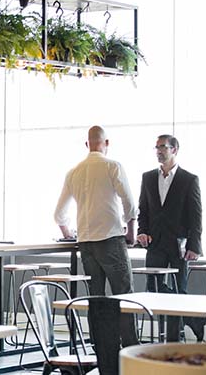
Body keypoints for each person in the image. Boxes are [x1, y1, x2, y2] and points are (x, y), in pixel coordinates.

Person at [54, 126, 139, 348]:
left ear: (87, 144)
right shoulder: (113, 166)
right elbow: (129, 202)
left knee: (96, 297)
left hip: (86, 243)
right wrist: (131, 231)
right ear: (106, 143)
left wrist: (68, 233)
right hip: (111, 238)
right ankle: (130, 347)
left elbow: (59, 214)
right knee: (124, 294)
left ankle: (102, 347)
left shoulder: (73, 172)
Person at [137, 134, 204, 341]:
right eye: (156, 147)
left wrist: (195, 244)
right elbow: (144, 210)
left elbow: (196, 214)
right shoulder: (148, 177)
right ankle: (193, 320)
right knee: (152, 287)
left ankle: (174, 337)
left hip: (180, 244)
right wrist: (141, 231)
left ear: (174, 149)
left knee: (179, 287)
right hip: (155, 242)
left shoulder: (189, 179)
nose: (158, 151)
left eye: (163, 147)